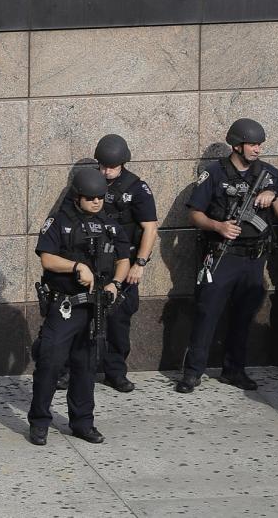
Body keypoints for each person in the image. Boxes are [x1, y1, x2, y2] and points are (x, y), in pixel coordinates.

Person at [176, 118, 278, 393]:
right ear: (237, 145)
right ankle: (193, 372)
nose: (258, 149)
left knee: (244, 316)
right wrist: (218, 226)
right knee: (207, 314)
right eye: (253, 144)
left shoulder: (270, 175)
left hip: (254, 259)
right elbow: (194, 213)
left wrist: (273, 198)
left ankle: (234, 370)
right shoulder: (214, 174)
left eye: (260, 144)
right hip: (222, 255)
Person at [27, 164, 131, 446]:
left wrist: (116, 283)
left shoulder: (110, 223)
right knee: (50, 364)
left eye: (100, 197)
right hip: (65, 307)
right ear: (77, 197)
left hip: (95, 307)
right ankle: (39, 421)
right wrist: (76, 266)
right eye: (90, 198)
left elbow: (123, 258)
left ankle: (83, 422)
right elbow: (47, 258)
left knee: (86, 367)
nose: (96, 202)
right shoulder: (60, 222)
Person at [93, 133, 159, 393]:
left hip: (123, 264)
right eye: (103, 166)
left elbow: (150, 228)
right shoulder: (88, 182)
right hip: (91, 263)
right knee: (77, 321)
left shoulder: (136, 188)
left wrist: (139, 264)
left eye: (112, 167)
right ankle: (71, 370)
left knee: (119, 322)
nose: (107, 172)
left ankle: (116, 372)